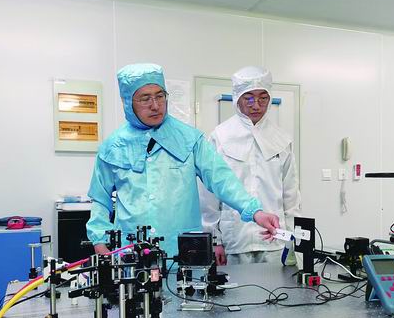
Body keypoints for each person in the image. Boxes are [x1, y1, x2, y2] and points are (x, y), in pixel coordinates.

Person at [86, 63, 280, 258]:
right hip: (131, 253)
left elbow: (222, 179)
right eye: (145, 99)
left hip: (182, 252)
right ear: (128, 102)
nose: (155, 105)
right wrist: (99, 241)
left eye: (160, 96)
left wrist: (255, 212)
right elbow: (100, 199)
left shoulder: (190, 139)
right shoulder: (112, 147)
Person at [201, 66, 301, 265]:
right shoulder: (220, 137)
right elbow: (208, 194)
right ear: (237, 98)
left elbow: (291, 195)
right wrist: (214, 239)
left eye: (263, 98)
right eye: (249, 98)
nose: (256, 105)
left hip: (275, 240)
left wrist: (294, 238)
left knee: (279, 285)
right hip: (234, 240)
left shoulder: (281, 140)